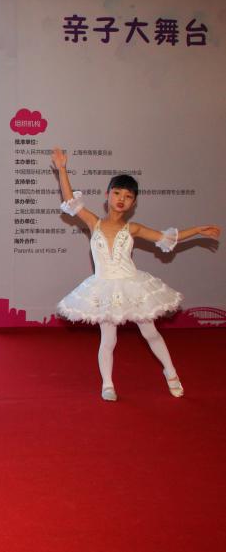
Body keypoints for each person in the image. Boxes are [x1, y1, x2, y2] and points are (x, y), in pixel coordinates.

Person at [52, 147, 220, 400]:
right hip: (103, 287)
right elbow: (69, 200)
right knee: (108, 340)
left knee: (150, 332)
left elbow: (166, 238)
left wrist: (196, 230)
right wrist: (62, 169)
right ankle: (108, 384)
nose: (122, 198)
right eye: (117, 193)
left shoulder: (133, 228)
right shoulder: (93, 222)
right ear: (107, 195)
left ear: (133, 203)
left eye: (128, 196)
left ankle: (171, 373)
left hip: (132, 285)